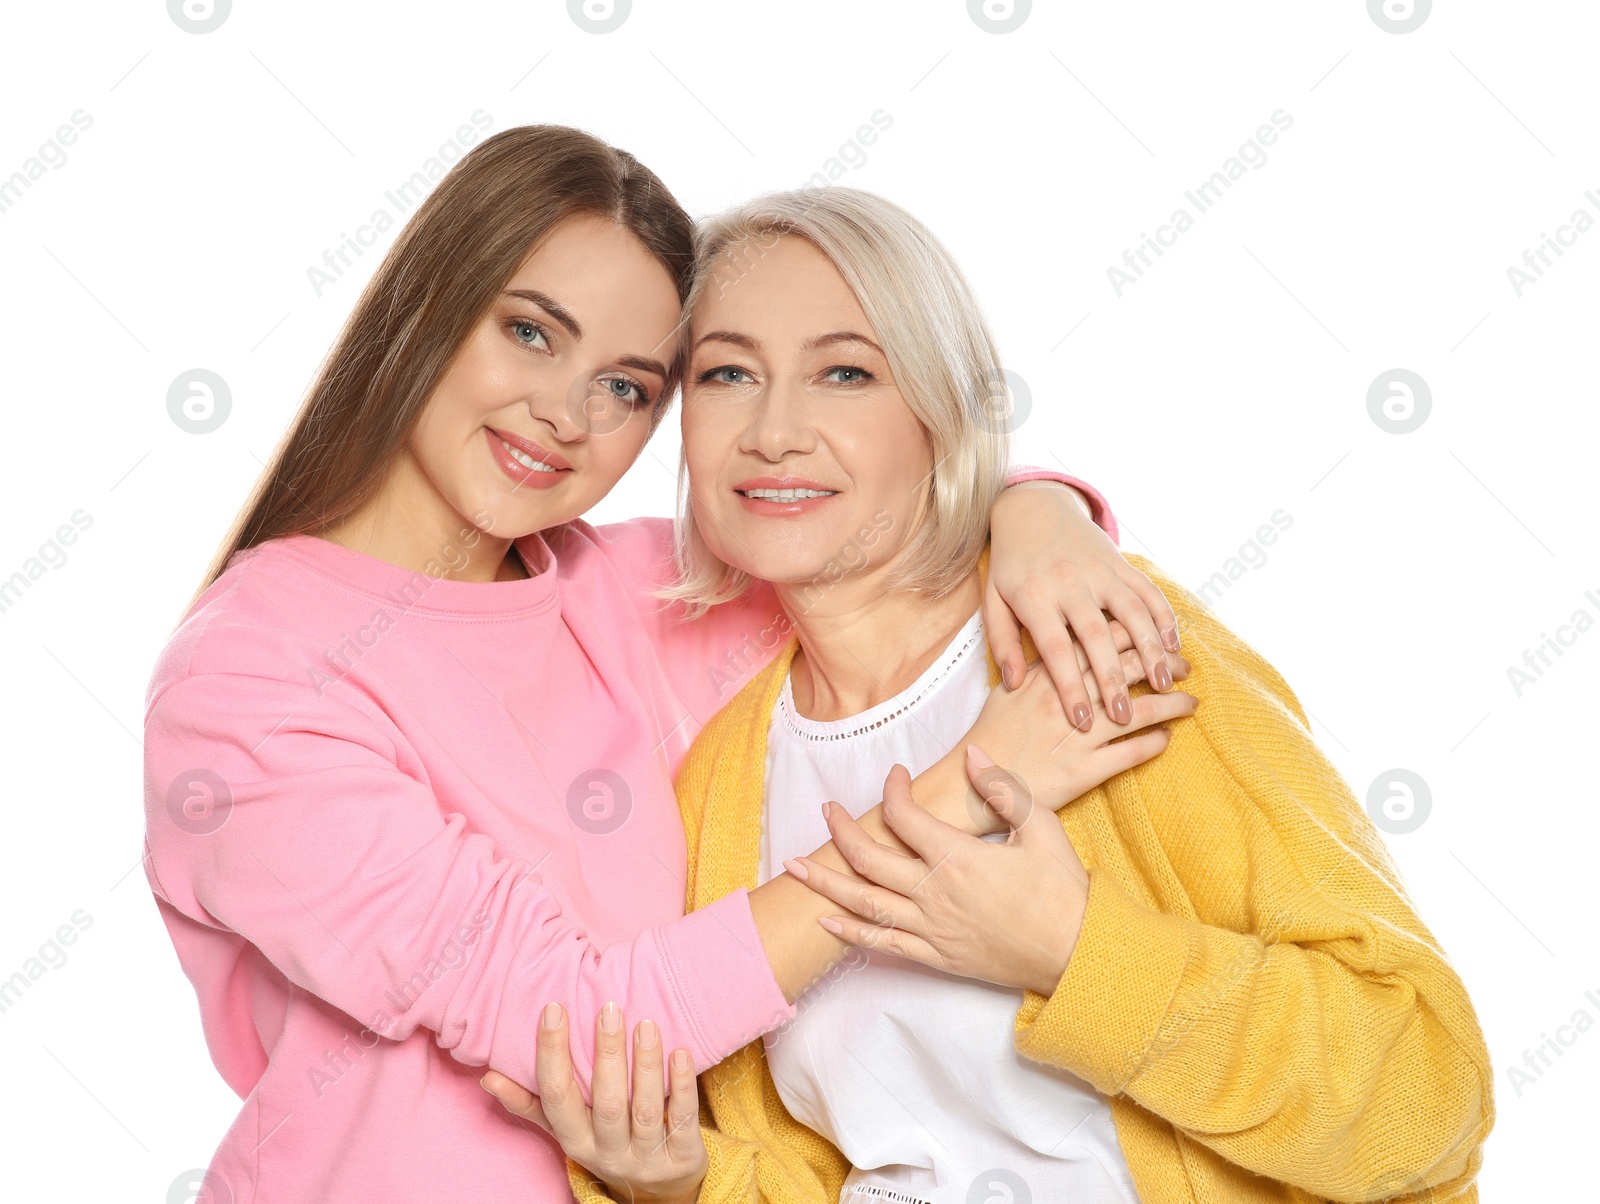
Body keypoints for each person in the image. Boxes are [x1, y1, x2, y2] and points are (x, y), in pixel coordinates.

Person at [142, 127, 1186, 1203]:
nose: (564, 414)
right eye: (530, 333)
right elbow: (583, 1036)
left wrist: (1042, 514)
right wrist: (958, 794)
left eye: (628, 387)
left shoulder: (636, 594)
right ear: (424, 306)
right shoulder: (242, 688)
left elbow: (874, 531)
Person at [494, 188, 1493, 1204]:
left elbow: (1426, 1090)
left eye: (845, 372)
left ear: (941, 413)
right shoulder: (720, 784)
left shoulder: (1099, 651)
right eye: (728, 373)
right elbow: (839, 1170)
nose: (774, 429)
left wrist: (1075, 950)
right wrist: (690, 1183)